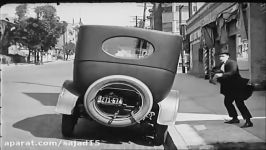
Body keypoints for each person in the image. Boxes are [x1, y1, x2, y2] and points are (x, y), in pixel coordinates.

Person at [213, 46, 253, 128]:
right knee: (227, 102)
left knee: (240, 103)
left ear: (227, 56)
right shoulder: (221, 64)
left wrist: (220, 74)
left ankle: (248, 121)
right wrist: (215, 75)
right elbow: (215, 70)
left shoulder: (231, 63)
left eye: (223, 56)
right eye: (220, 56)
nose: (221, 58)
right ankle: (235, 118)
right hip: (229, 88)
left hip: (237, 87)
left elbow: (232, 72)